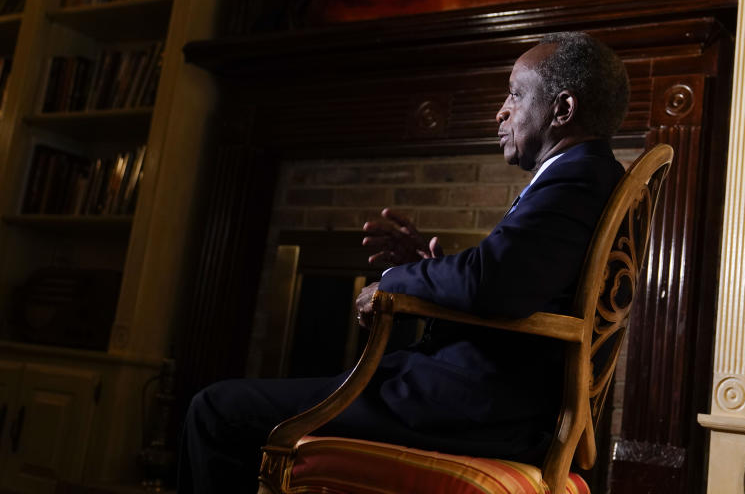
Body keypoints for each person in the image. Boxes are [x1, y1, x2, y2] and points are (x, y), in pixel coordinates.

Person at [178, 31, 630, 493]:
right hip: (484, 400)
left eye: (515, 93)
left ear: (562, 110)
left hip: (472, 408)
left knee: (216, 409)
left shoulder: (576, 179)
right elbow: (519, 281)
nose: (501, 110)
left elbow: (494, 282)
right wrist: (429, 269)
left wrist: (398, 279)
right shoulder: (585, 177)